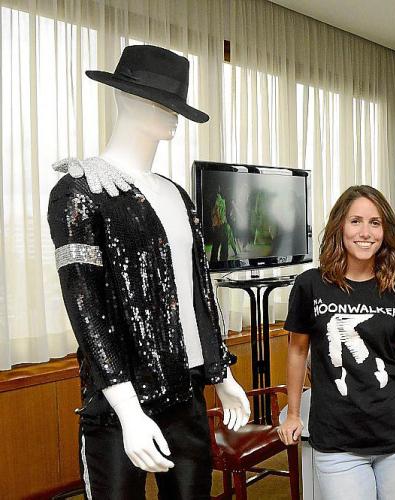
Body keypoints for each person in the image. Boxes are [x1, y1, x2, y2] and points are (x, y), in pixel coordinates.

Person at [48, 44, 250, 499]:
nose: (174, 115)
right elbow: (85, 307)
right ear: (128, 99)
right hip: (117, 402)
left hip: (185, 391)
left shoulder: (177, 195)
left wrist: (221, 374)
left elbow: (198, 293)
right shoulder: (80, 190)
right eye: (164, 103)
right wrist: (127, 410)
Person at [277, 185, 395, 500]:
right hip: (337, 439)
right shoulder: (311, 285)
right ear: (340, 226)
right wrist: (293, 413)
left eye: (375, 223)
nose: (365, 232)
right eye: (356, 221)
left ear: (385, 231)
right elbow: (297, 351)